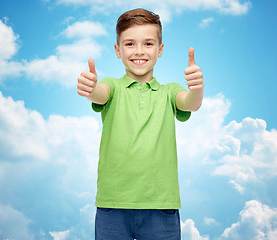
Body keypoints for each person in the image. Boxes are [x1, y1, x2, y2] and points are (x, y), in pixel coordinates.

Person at [77, 8, 204, 240]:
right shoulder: (112, 87)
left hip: (161, 206)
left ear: (160, 49)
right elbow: (99, 93)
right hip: (112, 204)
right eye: (129, 44)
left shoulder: (169, 91)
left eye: (148, 44)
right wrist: (90, 89)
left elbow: (190, 103)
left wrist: (197, 89)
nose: (139, 51)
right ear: (117, 50)